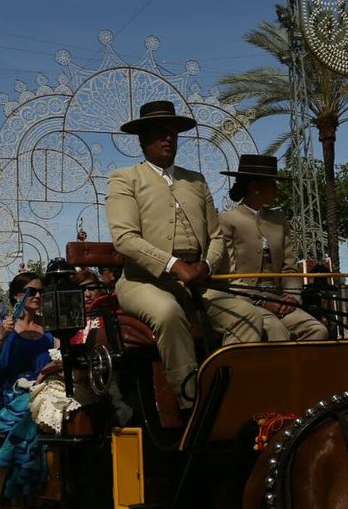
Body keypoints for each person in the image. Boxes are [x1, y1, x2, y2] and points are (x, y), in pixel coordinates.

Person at [105, 100, 263, 408]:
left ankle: (230, 394)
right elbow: (124, 238)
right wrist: (174, 265)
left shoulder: (196, 180)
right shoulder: (125, 179)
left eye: (173, 133)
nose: (168, 138)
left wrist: (205, 264)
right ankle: (190, 400)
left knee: (249, 315)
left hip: (196, 280)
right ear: (142, 139)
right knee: (167, 312)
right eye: (160, 133)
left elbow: (216, 235)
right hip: (142, 282)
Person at [219, 154, 329, 341]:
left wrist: (292, 297)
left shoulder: (278, 221)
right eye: (272, 184)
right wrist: (261, 300)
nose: (276, 190)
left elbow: (289, 267)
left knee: (317, 330)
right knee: (276, 331)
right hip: (246, 302)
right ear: (254, 187)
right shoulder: (228, 220)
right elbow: (229, 274)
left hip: (280, 302)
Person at [0, 271, 60, 497]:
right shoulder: (2, 325)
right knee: (39, 407)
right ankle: (14, 464)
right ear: (17, 295)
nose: (37, 296)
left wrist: (54, 366)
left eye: (41, 291)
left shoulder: (50, 328)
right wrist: (2, 337)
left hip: (45, 390)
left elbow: (63, 357)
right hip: (12, 395)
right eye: (31, 291)